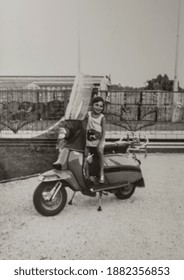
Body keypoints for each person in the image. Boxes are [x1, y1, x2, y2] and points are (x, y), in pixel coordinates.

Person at [86, 96, 106, 184]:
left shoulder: (102, 117)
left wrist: (100, 143)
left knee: (100, 151)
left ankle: (101, 172)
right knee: (85, 154)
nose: (98, 108)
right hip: (89, 139)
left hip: (99, 139)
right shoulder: (88, 115)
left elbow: (104, 132)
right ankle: (87, 174)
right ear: (92, 105)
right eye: (96, 105)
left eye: (101, 106)